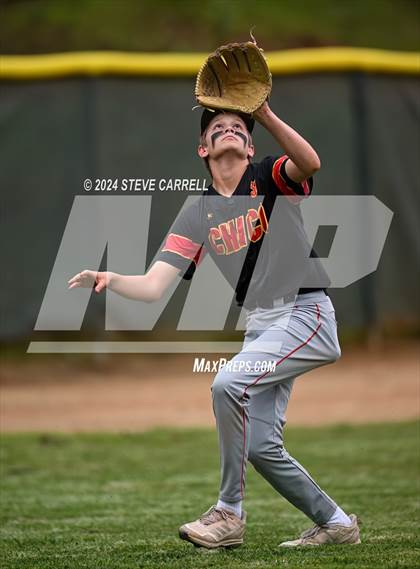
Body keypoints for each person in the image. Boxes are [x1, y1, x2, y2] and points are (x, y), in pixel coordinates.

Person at [68, 101, 361, 549]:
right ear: (202, 148)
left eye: (238, 126)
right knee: (260, 446)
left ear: (250, 146)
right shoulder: (198, 213)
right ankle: (337, 524)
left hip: (306, 313)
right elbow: (153, 286)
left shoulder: (269, 176)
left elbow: (309, 163)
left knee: (227, 383)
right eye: (217, 126)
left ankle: (229, 512)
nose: (229, 129)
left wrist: (264, 114)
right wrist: (111, 278)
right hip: (261, 325)